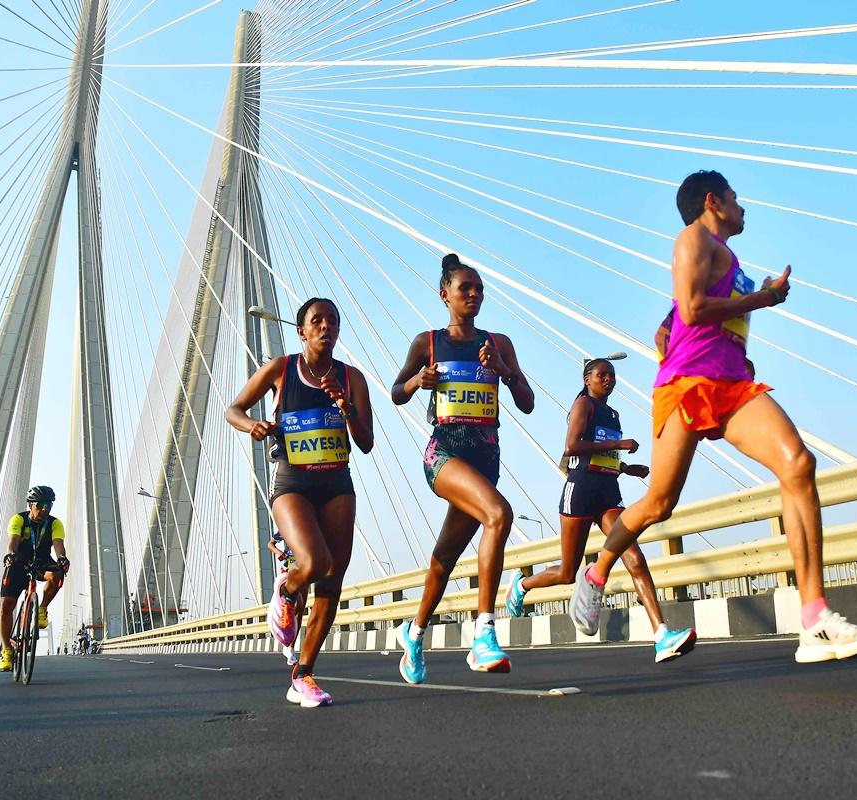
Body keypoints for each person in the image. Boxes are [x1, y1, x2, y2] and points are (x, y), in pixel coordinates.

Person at [571, 170, 857, 663]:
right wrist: (762, 299)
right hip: (689, 389)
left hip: (732, 385)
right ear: (713, 201)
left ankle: (815, 620)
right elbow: (693, 309)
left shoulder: (728, 258)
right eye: (736, 199)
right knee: (658, 502)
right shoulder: (691, 238)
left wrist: (734, 329)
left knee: (797, 465)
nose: (744, 207)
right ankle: (596, 573)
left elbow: (674, 318)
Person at [391, 253, 535, 684]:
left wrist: (506, 372)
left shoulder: (498, 342)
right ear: (444, 295)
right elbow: (398, 391)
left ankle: (413, 635)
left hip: (485, 459)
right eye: (465, 289)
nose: (474, 295)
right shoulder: (427, 343)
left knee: (445, 558)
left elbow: (527, 403)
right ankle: (484, 634)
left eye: (479, 290)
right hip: (445, 455)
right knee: (499, 514)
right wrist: (420, 382)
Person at [225, 297, 374, 707]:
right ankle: (288, 592)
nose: (326, 326)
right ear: (301, 331)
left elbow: (366, 442)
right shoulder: (281, 370)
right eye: (316, 320)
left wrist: (346, 408)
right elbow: (232, 408)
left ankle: (303, 675)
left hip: (336, 483)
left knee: (331, 582)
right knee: (311, 563)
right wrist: (252, 424)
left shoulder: (352, 378)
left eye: (332, 321)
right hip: (292, 481)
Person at [505, 358, 695, 661]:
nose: (609, 379)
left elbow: (601, 453)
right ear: (587, 379)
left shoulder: (613, 413)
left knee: (634, 557)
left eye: (612, 375)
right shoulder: (583, 405)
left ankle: (661, 636)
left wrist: (627, 468)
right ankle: (523, 584)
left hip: (608, 494)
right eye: (602, 375)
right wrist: (620, 445)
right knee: (568, 573)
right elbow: (573, 446)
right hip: (580, 493)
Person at [0, 485, 70, 672]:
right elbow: (13, 540)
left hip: (42, 563)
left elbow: (58, 544)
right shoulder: (19, 519)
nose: (46, 509)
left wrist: (62, 558)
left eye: (49, 505)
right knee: (6, 606)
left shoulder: (55, 523)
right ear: (31, 504)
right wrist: (10, 554)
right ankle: (6, 650)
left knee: (57, 575)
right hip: (19, 563)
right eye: (41, 504)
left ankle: (42, 609)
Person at [267, 530, 301, 666]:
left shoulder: (311, 523)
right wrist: (278, 552)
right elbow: (270, 544)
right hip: (291, 564)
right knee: (293, 604)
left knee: (300, 608)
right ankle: (289, 647)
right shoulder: (286, 527)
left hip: (304, 563)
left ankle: (291, 647)